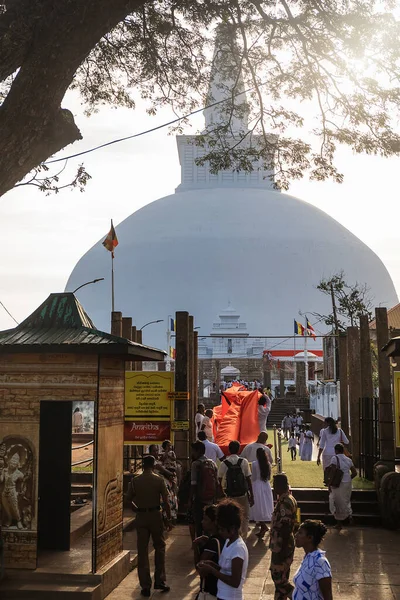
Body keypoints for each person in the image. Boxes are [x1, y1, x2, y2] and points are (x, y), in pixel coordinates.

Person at [131, 455, 171, 597]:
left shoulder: (135, 480)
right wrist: (169, 518)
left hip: (141, 516)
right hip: (155, 515)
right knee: (159, 547)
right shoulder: (159, 480)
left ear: (143, 465)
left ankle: (145, 586)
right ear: (154, 466)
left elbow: (127, 499)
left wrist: (137, 509)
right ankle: (159, 581)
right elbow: (165, 501)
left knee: (142, 552)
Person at [197, 499, 249, 600]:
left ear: (233, 529)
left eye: (222, 529)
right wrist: (212, 565)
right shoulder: (228, 542)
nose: (220, 532)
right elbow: (226, 571)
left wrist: (212, 571)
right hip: (222, 595)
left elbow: (235, 582)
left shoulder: (238, 549)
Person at [269, 473, 298, 600]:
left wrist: (282, 550)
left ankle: (299, 597)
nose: (273, 487)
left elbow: (285, 528)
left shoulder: (285, 502)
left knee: (279, 579)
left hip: (281, 545)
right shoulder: (288, 498)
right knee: (282, 577)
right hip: (283, 544)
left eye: (275, 484)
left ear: (281, 485)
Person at [218, 441, 254, 539]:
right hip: (242, 494)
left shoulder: (224, 463)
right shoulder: (244, 462)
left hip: (230, 495)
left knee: (231, 516)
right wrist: (252, 495)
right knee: (245, 516)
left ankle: (233, 536)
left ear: (229, 450)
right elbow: (248, 479)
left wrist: (222, 493)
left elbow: (219, 480)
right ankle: (243, 537)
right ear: (239, 450)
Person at [293, 520, 332, 600]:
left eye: (300, 533)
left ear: (310, 538)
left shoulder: (320, 562)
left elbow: (327, 595)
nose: (296, 535)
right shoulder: (308, 557)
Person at [193, 504, 224, 598]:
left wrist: (195, 547)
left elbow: (200, 569)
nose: (202, 522)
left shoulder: (212, 543)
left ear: (214, 522)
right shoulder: (223, 538)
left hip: (210, 591)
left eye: (205, 519)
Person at [189, 441, 218, 537]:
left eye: (193, 451)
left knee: (198, 523)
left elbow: (193, 484)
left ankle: (198, 544)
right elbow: (216, 482)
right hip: (211, 498)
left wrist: (191, 499)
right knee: (210, 522)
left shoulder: (195, 464)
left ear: (198, 451)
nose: (192, 453)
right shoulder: (212, 463)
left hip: (199, 499)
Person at [328, 443, 357, 529]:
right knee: (346, 501)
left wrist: (329, 483)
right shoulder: (348, 460)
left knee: (337, 502)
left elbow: (332, 472)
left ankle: (339, 523)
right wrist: (348, 478)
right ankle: (350, 517)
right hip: (347, 483)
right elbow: (355, 473)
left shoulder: (334, 458)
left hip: (338, 483)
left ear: (336, 450)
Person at [148, 444, 178, 526]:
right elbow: (163, 470)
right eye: (154, 451)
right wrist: (171, 474)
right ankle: (166, 520)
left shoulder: (159, 460)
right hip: (157, 483)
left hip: (163, 482)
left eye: (157, 450)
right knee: (165, 501)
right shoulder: (152, 461)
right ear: (150, 452)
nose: (156, 452)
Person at [250, 447, 274, 538]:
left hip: (257, 485)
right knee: (263, 506)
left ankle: (263, 526)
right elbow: (269, 477)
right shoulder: (268, 464)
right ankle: (263, 526)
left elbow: (254, 477)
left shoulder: (254, 464)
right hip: (266, 485)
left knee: (258, 506)